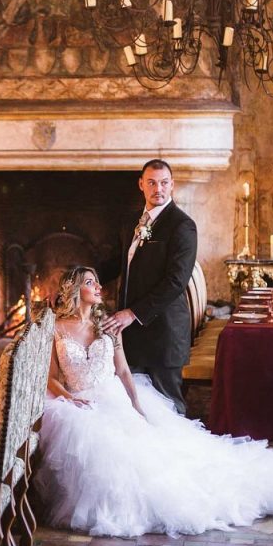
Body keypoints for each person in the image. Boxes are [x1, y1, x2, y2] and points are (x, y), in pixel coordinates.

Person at [33, 266, 273, 537]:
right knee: (91, 444)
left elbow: (122, 371)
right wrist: (68, 399)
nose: (99, 287)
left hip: (113, 397)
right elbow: (50, 376)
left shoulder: (109, 325)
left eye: (97, 281)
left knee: (154, 457)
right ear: (75, 289)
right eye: (91, 282)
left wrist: (137, 407)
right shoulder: (57, 330)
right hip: (77, 400)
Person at [100, 159, 196, 415]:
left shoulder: (182, 226)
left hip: (163, 334)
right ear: (141, 184)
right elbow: (117, 262)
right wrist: (83, 280)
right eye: (152, 182)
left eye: (164, 183)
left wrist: (132, 313)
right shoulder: (131, 220)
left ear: (172, 185)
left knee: (169, 410)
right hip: (132, 335)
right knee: (137, 406)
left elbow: (176, 282)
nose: (158, 189)